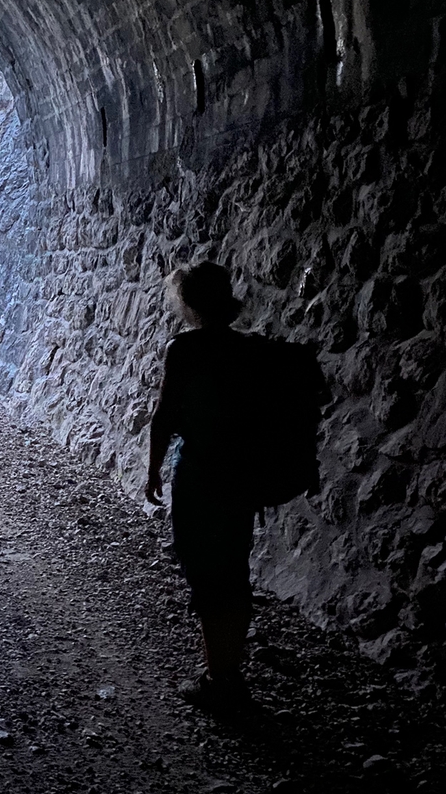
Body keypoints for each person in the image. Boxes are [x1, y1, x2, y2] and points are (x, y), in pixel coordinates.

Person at [146, 261, 256, 711]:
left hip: (200, 475)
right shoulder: (249, 350)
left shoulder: (185, 349)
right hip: (242, 475)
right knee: (233, 570)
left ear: (188, 303)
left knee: (205, 575)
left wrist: (153, 470)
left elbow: (165, 416)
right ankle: (231, 671)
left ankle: (220, 679)